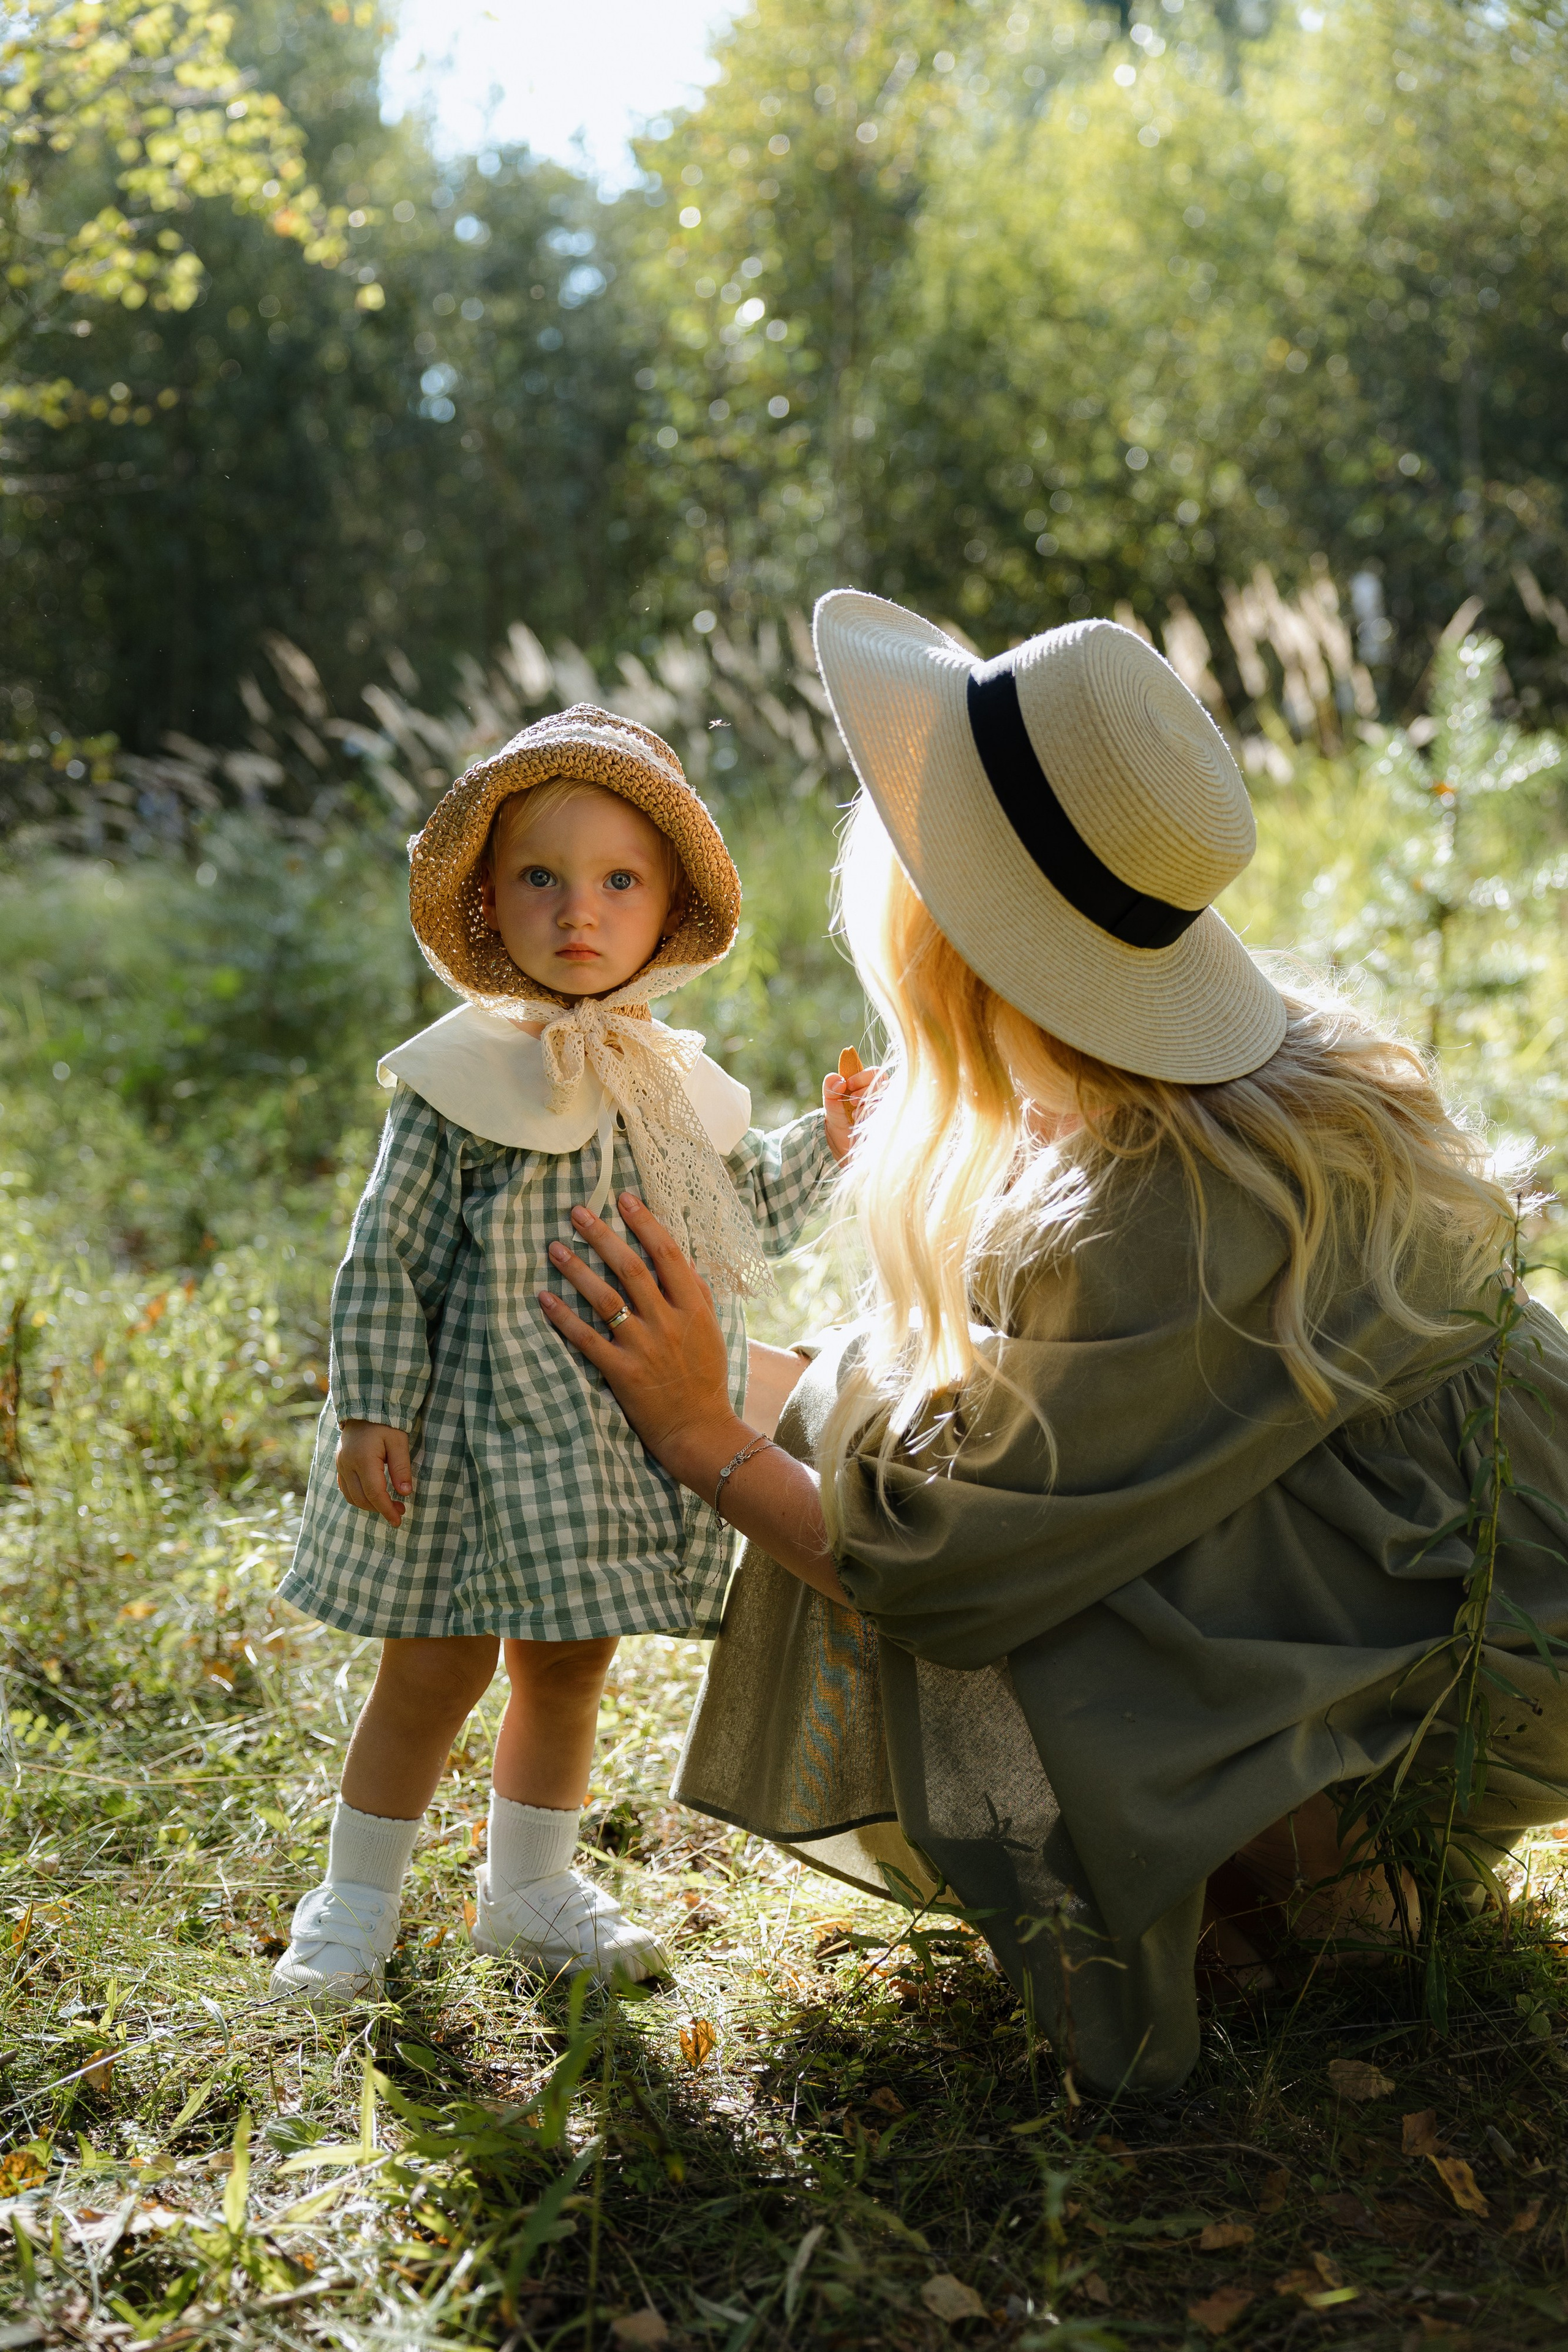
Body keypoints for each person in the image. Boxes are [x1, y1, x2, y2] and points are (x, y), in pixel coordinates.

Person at [539, 596, 1568, 2094]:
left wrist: (702, 1428)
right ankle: (1329, 1856)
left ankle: (1311, 1869)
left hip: (1474, 1678)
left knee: (970, 1536)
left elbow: (938, 1565)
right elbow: (1053, 1396)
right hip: (1506, 1642)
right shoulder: (1285, 1078)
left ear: (952, 939)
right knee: (893, 1416)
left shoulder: (1156, 1217)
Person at [270, 703, 875, 2005]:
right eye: (540, 878)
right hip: (465, 1434)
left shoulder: (672, 1081)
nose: (578, 912)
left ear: (667, 912)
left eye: (617, 881)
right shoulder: (458, 1081)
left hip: (597, 1435)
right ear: (489, 901)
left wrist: (824, 1144)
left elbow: (732, 1220)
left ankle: (528, 1885)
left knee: (567, 1662)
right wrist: (372, 1406)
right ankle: (356, 1895)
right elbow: (388, 1256)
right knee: (431, 1665)